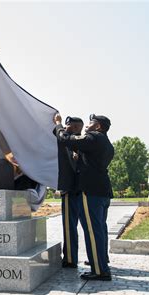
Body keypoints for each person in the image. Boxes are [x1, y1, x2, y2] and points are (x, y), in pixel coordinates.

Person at [54, 113, 114, 281]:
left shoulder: (94, 137)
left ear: (98, 127)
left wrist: (58, 125)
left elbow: (65, 139)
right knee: (99, 230)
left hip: (91, 191)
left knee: (93, 232)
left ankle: (100, 271)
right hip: (102, 191)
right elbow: (91, 159)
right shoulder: (106, 143)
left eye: (91, 122)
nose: (87, 125)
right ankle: (101, 265)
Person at [52, 116, 84, 268]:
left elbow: (60, 135)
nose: (65, 126)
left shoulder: (69, 140)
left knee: (70, 227)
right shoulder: (83, 140)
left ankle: (70, 259)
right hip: (82, 191)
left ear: (76, 128)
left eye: (68, 125)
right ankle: (97, 257)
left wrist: (58, 123)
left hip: (71, 190)